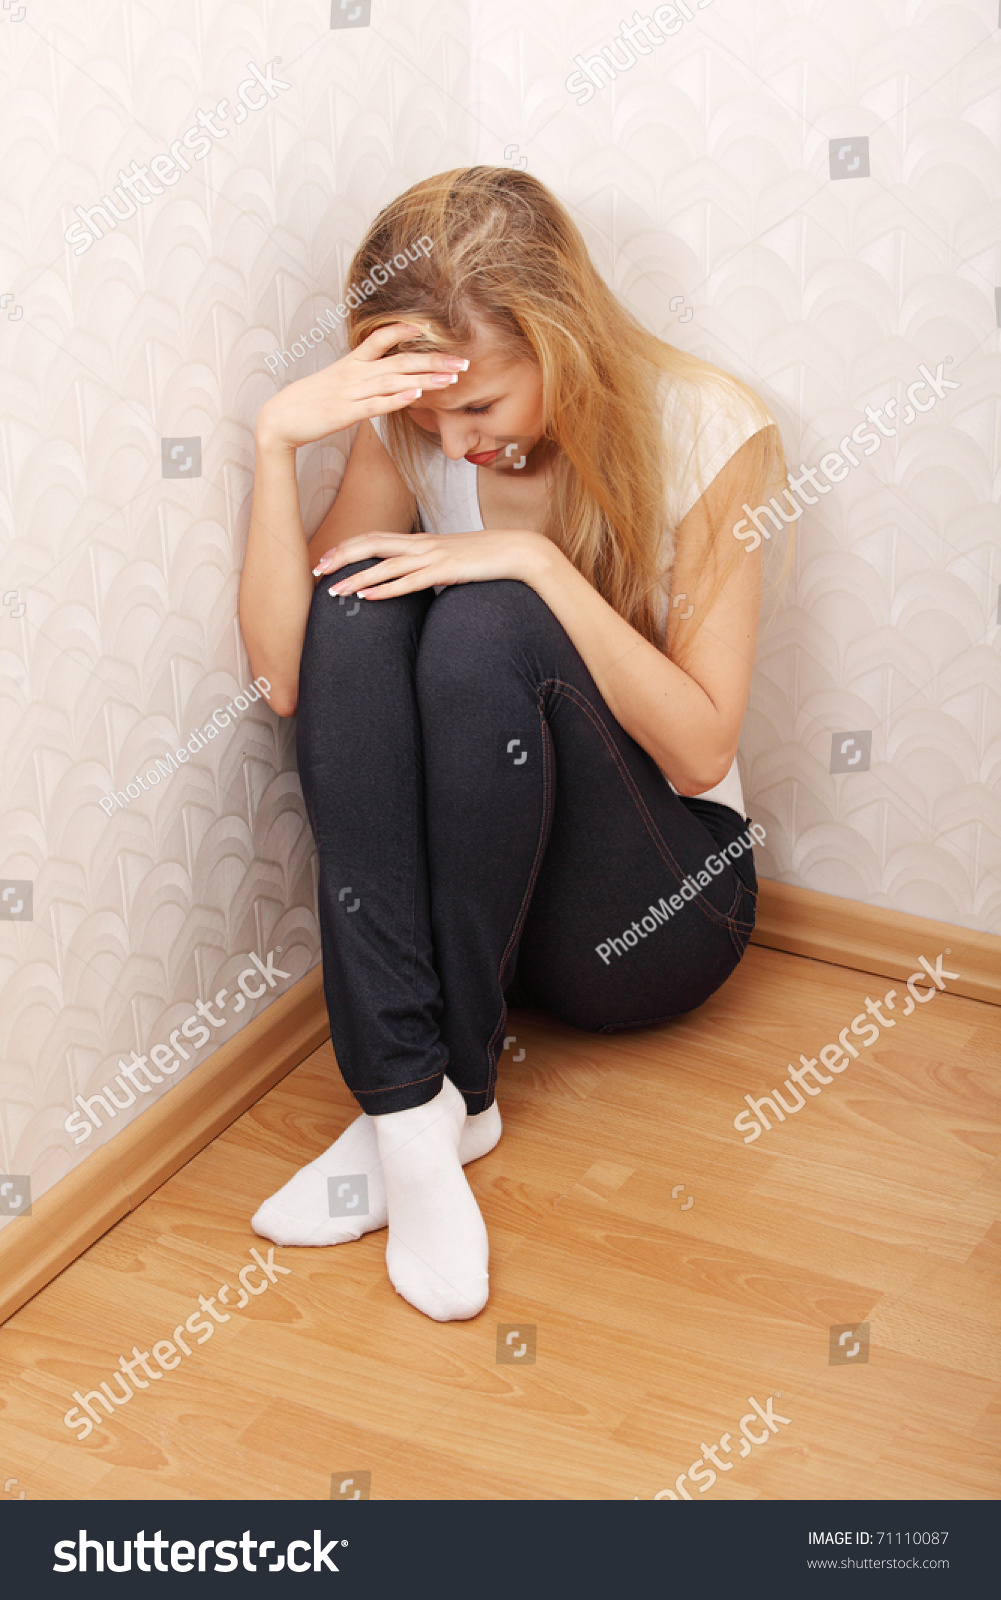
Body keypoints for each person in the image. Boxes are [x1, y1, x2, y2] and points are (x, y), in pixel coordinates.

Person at [238, 166, 788, 1323]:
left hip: (655, 913)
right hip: (479, 937)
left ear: (562, 345)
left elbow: (697, 753)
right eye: (429, 413)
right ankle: (408, 1107)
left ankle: (460, 1093)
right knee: (354, 601)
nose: (451, 439)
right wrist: (275, 447)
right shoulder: (421, 423)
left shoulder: (707, 430)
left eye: (479, 407)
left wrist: (536, 568)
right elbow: (289, 676)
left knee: (489, 617)